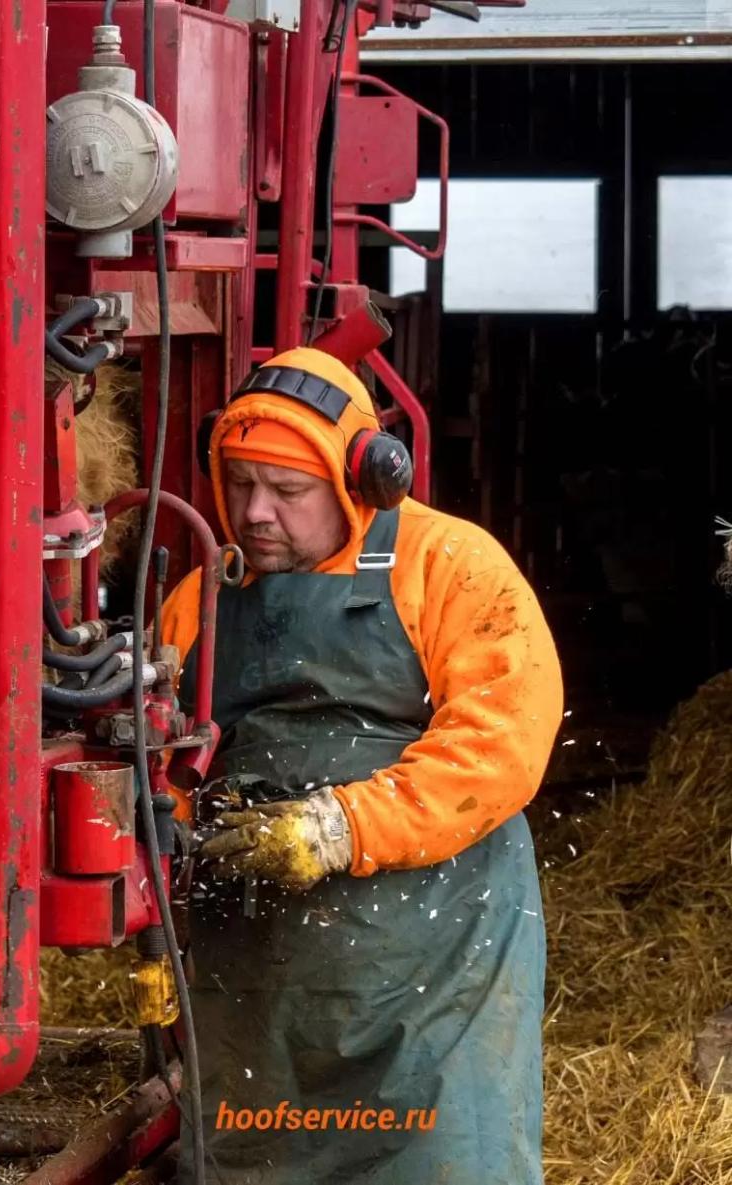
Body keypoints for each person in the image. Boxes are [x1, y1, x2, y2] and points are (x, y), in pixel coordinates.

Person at [160, 346, 563, 1184]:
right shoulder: (202, 600)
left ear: (361, 480)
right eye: (239, 485)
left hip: (432, 972)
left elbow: (504, 738)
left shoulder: (452, 567)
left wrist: (341, 825)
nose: (257, 513)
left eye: (288, 491)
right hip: (259, 983)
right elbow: (160, 760)